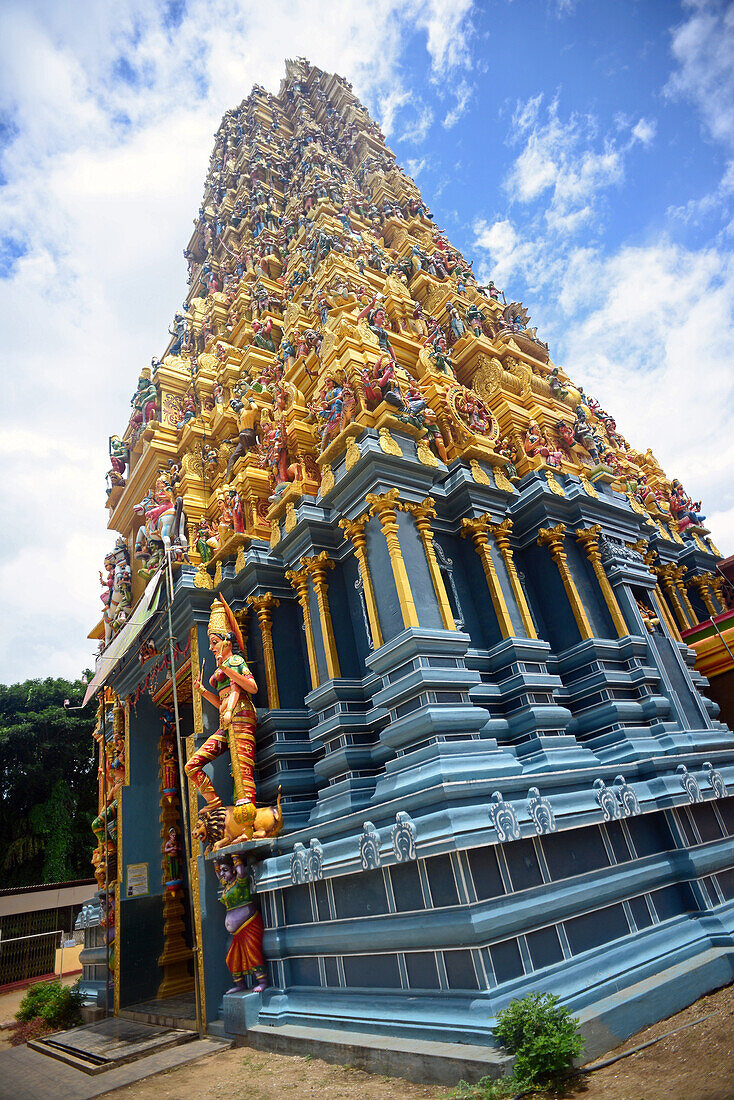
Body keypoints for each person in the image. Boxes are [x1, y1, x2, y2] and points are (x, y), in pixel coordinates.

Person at [185, 597, 258, 808]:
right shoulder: (222, 669)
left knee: (241, 770)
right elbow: (221, 702)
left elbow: (251, 688)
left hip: (241, 717)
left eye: (214, 642)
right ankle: (214, 803)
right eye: (210, 643)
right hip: (226, 722)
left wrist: (227, 670)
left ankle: (248, 822)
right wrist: (203, 691)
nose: (211, 648)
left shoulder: (236, 662)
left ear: (227, 641)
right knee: (192, 765)